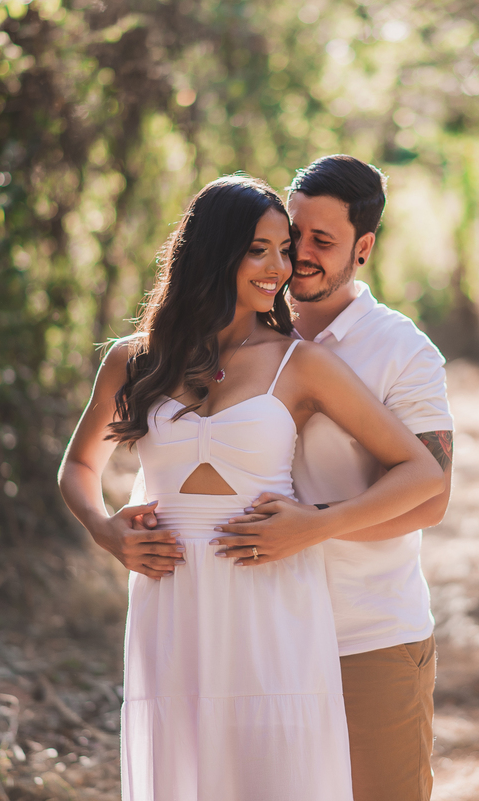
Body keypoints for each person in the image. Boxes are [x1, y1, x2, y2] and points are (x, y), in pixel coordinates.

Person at [56, 174, 443, 801]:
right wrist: (105, 530)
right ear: (213, 251)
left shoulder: (302, 361)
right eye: (262, 249)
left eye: (285, 250)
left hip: (273, 602)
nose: (282, 266)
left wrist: (316, 524)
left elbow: (423, 473)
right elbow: (79, 465)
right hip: (171, 607)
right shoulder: (134, 359)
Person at [212, 155, 454, 801]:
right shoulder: (237, 333)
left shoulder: (403, 351)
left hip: (366, 633)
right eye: (293, 235)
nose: (300, 254)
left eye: (323, 240)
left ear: (363, 248)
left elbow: (431, 499)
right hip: (256, 629)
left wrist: (316, 528)